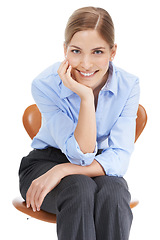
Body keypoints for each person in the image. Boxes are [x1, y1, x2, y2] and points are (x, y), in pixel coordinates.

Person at [19, 6, 140, 240]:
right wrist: (85, 96)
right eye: (76, 51)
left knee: (114, 192)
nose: (85, 64)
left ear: (112, 52)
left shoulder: (129, 85)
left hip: (97, 165)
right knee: (79, 188)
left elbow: (120, 157)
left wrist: (63, 170)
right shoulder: (45, 84)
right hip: (45, 165)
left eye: (97, 52)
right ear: (65, 50)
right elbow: (80, 155)